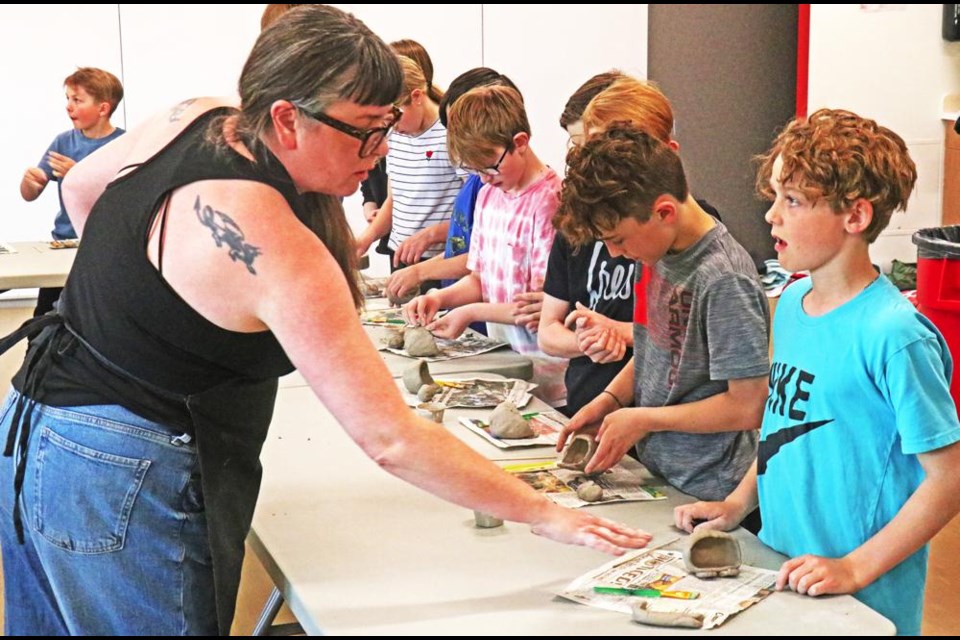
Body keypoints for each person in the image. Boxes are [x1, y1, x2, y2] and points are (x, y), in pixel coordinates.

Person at [0, 6, 649, 636]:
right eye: (365, 130)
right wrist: (544, 514)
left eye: (389, 126)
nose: (380, 150)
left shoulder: (195, 116)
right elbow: (391, 440)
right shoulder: (276, 243)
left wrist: (132, 306)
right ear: (288, 119)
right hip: (119, 468)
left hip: (35, 419)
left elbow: (84, 187)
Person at [675, 108, 960, 635]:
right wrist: (738, 503)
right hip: (783, 574)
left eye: (793, 201)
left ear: (855, 216)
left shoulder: (895, 335)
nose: (771, 217)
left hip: (862, 601)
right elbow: (783, 426)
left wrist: (855, 567)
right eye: (775, 198)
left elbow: (949, 480)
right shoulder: (791, 301)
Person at [553, 123, 769, 510]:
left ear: (664, 211)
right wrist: (610, 400)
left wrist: (645, 419)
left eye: (617, 240)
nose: (616, 254)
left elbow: (747, 406)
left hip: (711, 489)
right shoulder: (655, 250)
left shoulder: (724, 279)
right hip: (661, 474)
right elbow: (655, 351)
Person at [403, 84, 568, 407]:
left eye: (490, 166)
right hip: (504, 362)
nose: (485, 177)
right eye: (475, 170)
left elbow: (540, 308)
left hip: (547, 375)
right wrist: (439, 297)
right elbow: (480, 279)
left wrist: (470, 312)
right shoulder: (490, 193)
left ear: (519, 143)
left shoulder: (548, 202)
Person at [539, 71, 636, 417]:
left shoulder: (667, 226)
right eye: (575, 146)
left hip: (645, 418)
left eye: (587, 144)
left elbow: (680, 339)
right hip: (585, 402)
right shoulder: (574, 220)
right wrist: (587, 342)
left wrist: (619, 333)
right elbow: (548, 330)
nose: (579, 158)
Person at [385, 67, 520, 303]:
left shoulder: (503, 188)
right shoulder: (484, 184)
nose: (454, 142)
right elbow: (473, 254)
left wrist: (422, 270)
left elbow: (485, 262)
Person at [19, 67, 125, 316]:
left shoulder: (123, 145)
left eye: (77, 100)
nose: (69, 106)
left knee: (96, 317)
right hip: (63, 244)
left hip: (103, 247)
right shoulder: (63, 141)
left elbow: (125, 198)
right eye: (67, 99)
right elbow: (30, 194)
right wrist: (29, 183)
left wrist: (79, 175)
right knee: (44, 318)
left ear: (103, 108)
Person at [355, 52, 462, 287]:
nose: (390, 126)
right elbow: (395, 200)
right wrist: (366, 239)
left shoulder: (452, 135)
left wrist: (431, 234)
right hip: (401, 256)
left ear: (417, 97)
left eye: (395, 117)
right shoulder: (394, 135)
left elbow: (476, 213)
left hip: (441, 262)